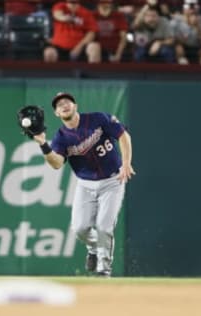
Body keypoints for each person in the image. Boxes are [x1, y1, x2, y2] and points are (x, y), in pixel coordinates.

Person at [31, 92, 135, 276]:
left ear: (75, 105)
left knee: (104, 226)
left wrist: (126, 163)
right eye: (59, 104)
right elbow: (56, 163)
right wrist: (43, 145)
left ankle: (103, 270)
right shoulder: (61, 137)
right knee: (79, 229)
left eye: (67, 101)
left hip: (113, 180)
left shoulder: (97, 119)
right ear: (56, 113)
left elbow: (123, 135)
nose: (64, 105)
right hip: (85, 184)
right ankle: (93, 248)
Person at [170, 0, 201, 65]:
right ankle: (182, 62)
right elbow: (174, 39)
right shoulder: (175, 21)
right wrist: (188, 24)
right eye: (190, 8)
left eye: (194, 8)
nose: (192, 10)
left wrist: (197, 26)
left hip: (197, 46)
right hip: (183, 46)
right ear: (184, 9)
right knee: (178, 47)